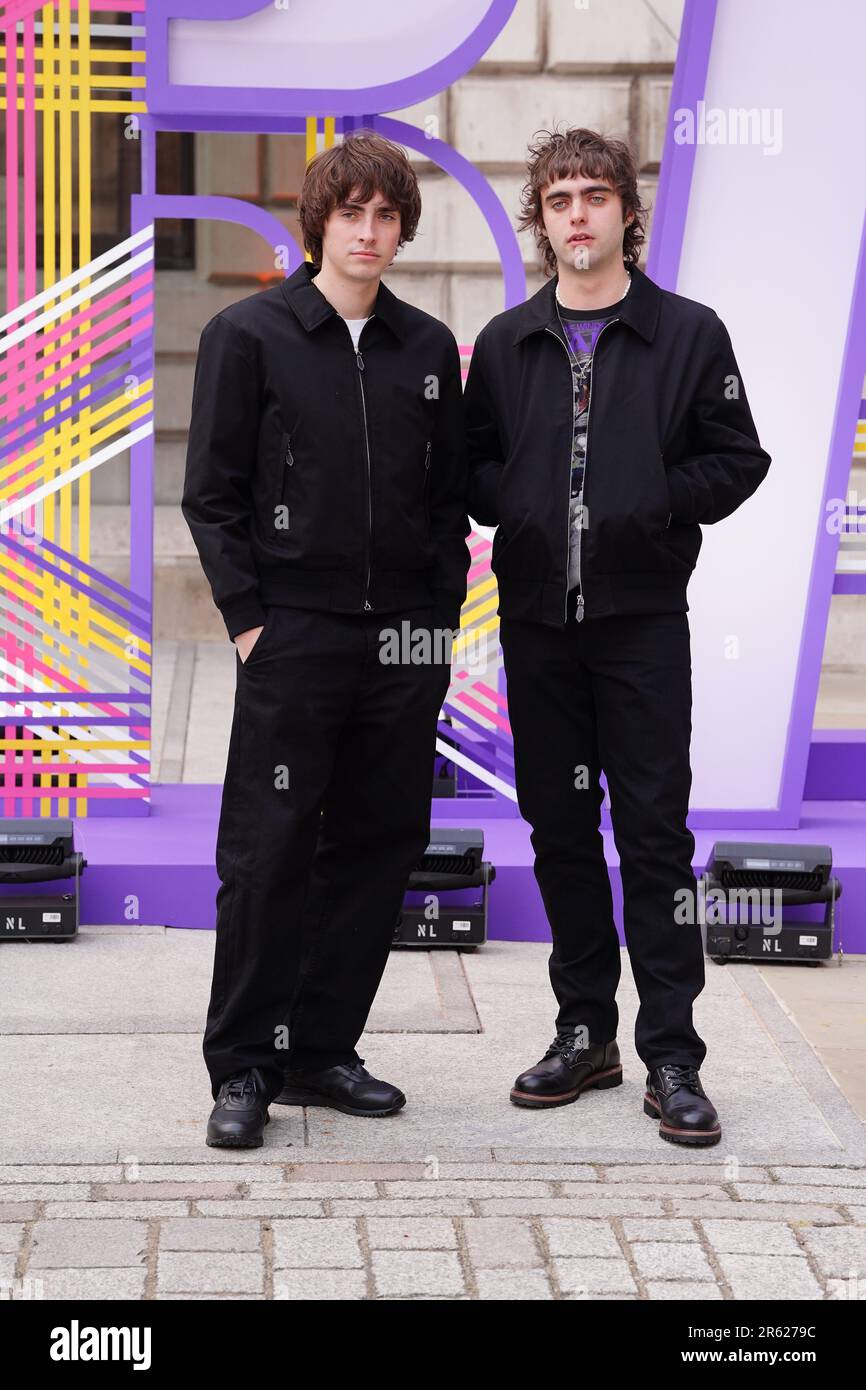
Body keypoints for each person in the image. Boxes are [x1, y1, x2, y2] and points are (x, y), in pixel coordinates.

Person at [463, 127, 771, 1146]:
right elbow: (472, 471)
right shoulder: (507, 342)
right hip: (538, 625)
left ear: (625, 214)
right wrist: (523, 499)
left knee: (652, 836)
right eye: (559, 199)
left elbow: (737, 459)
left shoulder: (686, 333)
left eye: (595, 195)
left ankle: (671, 1053)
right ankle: (583, 1028)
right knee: (557, 831)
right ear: (540, 219)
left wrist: (646, 503)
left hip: (640, 624)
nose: (579, 214)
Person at [182, 133, 470, 1147]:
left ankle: (321, 1050)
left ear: (400, 229)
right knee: (266, 852)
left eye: (385, 216)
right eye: (350, 213)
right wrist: (251, 621)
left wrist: (434, 624)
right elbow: (211, 495)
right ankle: (244, 1066)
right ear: (319, 223)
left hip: (400, 642)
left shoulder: (427, 349)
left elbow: (447, 506)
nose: (367, 231)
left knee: (375, 845)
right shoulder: (247, 334)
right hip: (293, 633)